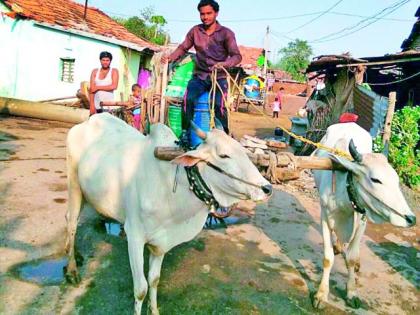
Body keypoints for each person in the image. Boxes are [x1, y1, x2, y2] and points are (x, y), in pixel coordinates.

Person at [161, 0, 242, 140]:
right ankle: (185, 134)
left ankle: (224, 137)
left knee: (219, 105)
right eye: (202, 14)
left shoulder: (226, 33)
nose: (205, 17)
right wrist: (171, 58)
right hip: (200, 76)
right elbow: (183, 47)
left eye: (209, 13)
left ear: (216, 13)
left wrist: (224, 63)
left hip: (219, 77)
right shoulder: (195, 31)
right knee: (188, 100)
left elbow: (237, 56)